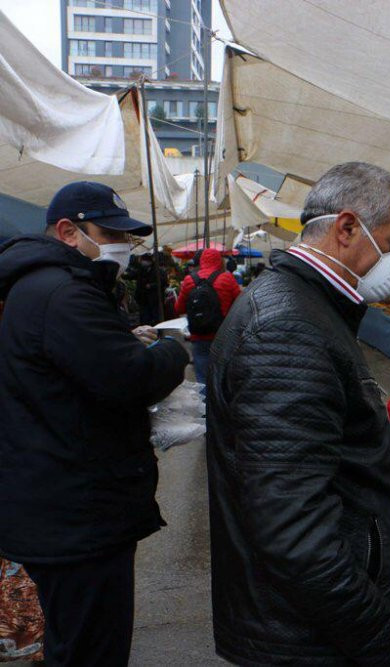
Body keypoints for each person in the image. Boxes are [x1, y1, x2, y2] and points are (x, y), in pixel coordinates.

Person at [205, 162, 390, 666]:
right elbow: (294, 533)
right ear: (347, 228)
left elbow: (320, 459)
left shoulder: (308, 308)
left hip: (306, 625)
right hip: (304, 638)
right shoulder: (287, 328)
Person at [0, 181, 189, 666]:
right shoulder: (63, 292)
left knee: (74, 642)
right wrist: (171, 349)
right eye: (112, 234)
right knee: (91, 651)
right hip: (77, 516)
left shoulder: (44, 286)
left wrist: (126, 337)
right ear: (68, 231)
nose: (123, 247)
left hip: (59, 504)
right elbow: (131, 377)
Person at [175, 247, 241, 385]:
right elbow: (241, 305)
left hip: (199, 336)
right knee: (224, 377)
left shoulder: (189, 280)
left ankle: (205, 405)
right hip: (224, 335)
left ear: (201, 261)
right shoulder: (227, 278)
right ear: (219, 261)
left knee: (202, 379)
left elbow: (178, 308)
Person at [124, 252, 166, 325]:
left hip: (154, 299)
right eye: (143, 260)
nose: (144, 262)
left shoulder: (158, 270)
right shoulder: (141, 270)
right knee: (144, 318)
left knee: (155, 318)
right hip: (143, 299)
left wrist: (151, 285)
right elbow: (131, 276)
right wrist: (122, 274)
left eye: (146, 260)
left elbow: (164, 283)